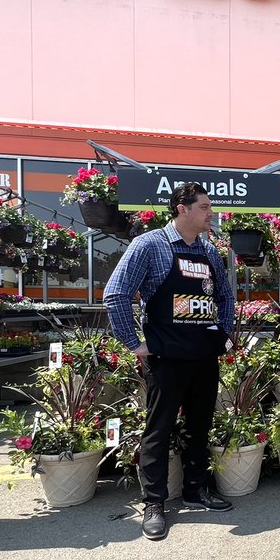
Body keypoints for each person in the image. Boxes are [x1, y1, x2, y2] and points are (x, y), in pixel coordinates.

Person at [103, 182, 236, 541]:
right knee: (158, 432)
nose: (211, 213)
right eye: (205, 207)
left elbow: (224, 296)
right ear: (182, 208)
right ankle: (155, 503)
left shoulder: (208, 250)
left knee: (199, 427)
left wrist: (224, 334)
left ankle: (196, 489)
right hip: (166, 358)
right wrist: (133, 343)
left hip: (203, 356)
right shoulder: (149, 245)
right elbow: (115, 294)